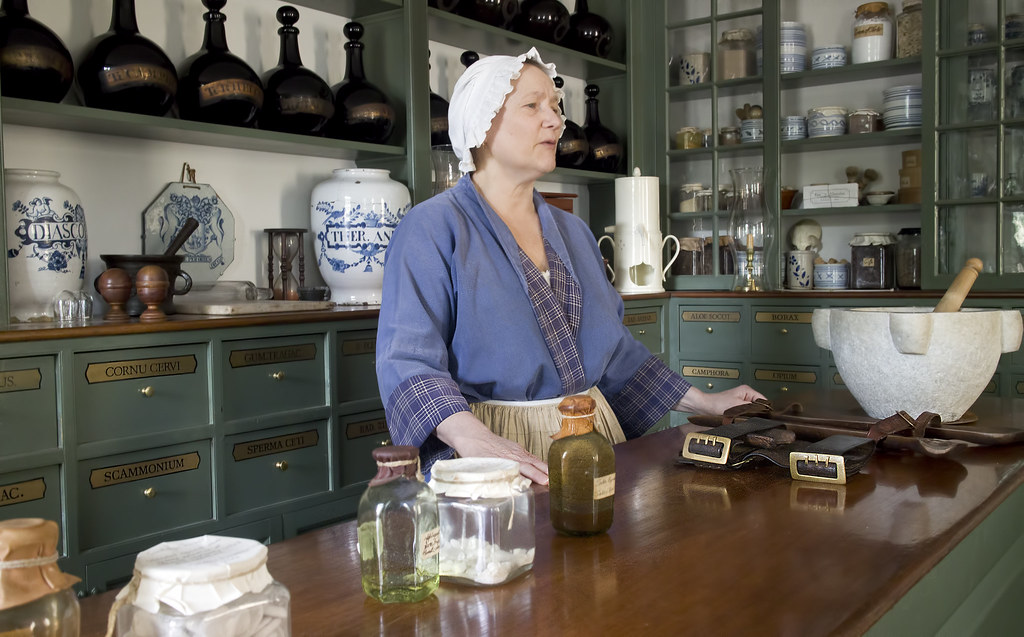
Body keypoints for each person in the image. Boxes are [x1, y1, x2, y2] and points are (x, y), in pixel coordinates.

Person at [376, 48, 764, 484]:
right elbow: (408, 362)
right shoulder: (431, 229)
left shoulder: (574, 231)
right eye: (533, 106)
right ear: (481, 124)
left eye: (556, 106)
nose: (555, 120)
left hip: (591, 440)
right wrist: (477, 442)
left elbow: (616, 354)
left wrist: (706, 402)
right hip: (496, 457)